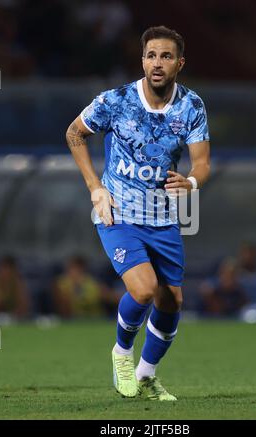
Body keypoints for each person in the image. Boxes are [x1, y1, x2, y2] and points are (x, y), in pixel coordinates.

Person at [66, 26, 210, 401]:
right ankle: (122, 353)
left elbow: (203, 164)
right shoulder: (116, 101)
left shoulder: (191, 106)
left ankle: (147, 375)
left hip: (162, 218)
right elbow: (74, 134)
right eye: (150, 56)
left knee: (172, 301)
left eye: (165, 56)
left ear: (179, 63)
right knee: (144, 289)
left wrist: (192, 183)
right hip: (118, 213)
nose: (156, 63)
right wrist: (96, 188)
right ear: (142, 60)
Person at [53, 255, 118, 318]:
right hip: (72, 319)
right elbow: (60, 306)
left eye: (77, 269)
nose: (74, 272)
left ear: (83, 269)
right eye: (72, 268)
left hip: (94, 319)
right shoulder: (62, 283)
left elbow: (111, 297)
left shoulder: (92, 283)